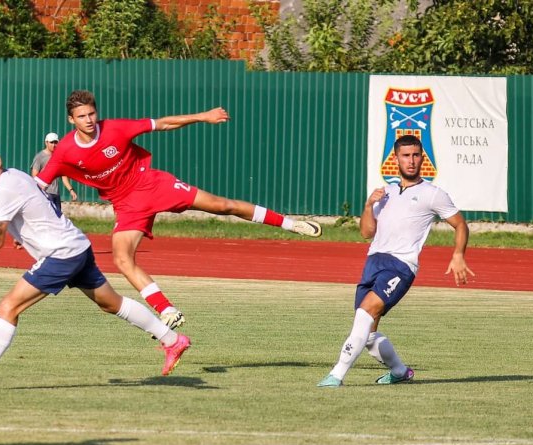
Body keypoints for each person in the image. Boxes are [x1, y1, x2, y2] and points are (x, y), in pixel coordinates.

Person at [34, 90, 322, 330]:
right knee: (122, 259)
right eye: (81, 116)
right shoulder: (65, 151)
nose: (88, 120)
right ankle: (167, 310)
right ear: (71, 120)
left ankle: (289, 224)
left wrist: (203, 116)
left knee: (222, 206)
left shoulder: (116, 128)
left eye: (91, 113)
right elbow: (37, 187)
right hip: (126, 205)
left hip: (151, 183)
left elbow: (163, 124)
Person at [0, 139, 190, 391]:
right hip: (77, 245)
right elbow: (38, 208)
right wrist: (22, 236)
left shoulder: (4, 188)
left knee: (9, 306)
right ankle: (172, 339)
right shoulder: (15, 175)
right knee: (111, 303)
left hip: (61, 254)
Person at [318, 134, 474, 387]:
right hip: (373, 263)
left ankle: (336, 374)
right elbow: (367, 232)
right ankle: (400, 371)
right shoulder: (386, 193)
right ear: (396, 159)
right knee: (367, 334)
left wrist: (458, 255)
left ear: (422, 157)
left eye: (415, 155)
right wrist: (369, 205)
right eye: (405, 156)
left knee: (365, 312)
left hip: (401, 267)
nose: (411, 161)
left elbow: (460, 225)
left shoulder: (432, 194)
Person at [30, 132, 78, 210]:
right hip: (45, 194)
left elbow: (64, 177)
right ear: (46, 143)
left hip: (56, 194)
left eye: (55, 142)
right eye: (51, 142)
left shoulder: (59, 157)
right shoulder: (40, 157)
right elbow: (34, 177)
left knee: (58, 218)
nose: (53, 145)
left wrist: (71, 190)